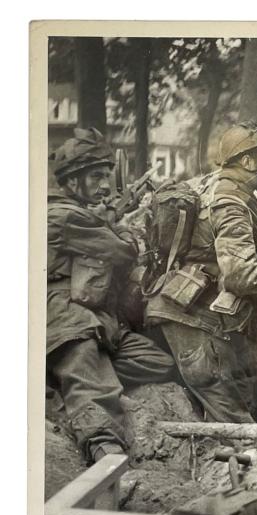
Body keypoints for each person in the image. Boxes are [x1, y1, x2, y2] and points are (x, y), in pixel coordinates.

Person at [145, 121, 257, 425]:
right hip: (193, 322)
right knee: (238, 427)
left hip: (198, 317)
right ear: (247, 161)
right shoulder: (229, 201)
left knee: (247, 415)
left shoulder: (226, 191)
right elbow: (241, 274)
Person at [47, 128, 175, 464]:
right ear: (73, 182)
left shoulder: (82, 213)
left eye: (107, 176)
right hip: (62, 319)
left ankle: (58, 379)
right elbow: (121, 252)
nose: (106, 185)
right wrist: (119, 226)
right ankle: (105, 453)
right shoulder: (62, 215)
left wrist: (107, 218)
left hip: (94, 317)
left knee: (157, 362)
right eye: (96, 177)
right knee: (93, 384)